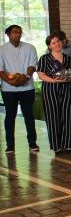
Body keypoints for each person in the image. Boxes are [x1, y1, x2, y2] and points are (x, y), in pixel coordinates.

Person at [36, 33, 71, 153]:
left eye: (58, 41)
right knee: (53, 116)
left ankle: (67, 144)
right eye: (53, 43)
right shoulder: (44, 58)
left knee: (68, 115)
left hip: (67, 89)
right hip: (50, 89)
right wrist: (54, 80)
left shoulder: (68, 58)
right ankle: (56, 146)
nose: (57, 44)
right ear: (49, 46)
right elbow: (41, 75)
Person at [0, 25, 39, 153]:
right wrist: (10, 81)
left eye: (19, 32)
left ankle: (32, 143)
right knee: (10, 116)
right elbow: (0, 70)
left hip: (27, 88)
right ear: (8, 34)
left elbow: (32, 65)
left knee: (29, 115)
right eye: (14, 32)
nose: (17, 34)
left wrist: (26, 77)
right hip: (8, 89)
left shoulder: (30, 47)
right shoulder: (2, 49)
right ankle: (10, 145)